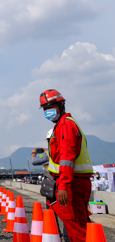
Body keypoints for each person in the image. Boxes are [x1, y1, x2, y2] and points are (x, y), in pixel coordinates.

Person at [40, 89, 93, 242]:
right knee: (78, 226)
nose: (47, 112)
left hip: (71, 185)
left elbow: (67, 158)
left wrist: (63, 186)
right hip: (75, 183)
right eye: (45, 109)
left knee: (77, 231)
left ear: (61, 105)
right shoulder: (64, 124)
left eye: (50, 107)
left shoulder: (64, 125)